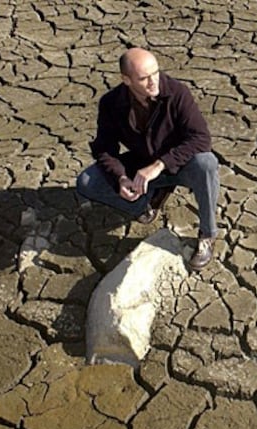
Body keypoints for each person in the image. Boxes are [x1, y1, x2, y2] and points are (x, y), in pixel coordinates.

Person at [76, 48, 219, 270]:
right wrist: (121, 178)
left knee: (207, 163)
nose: (154, 82)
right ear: (126, 80)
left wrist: (160, 165)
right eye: (144, 78)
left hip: (178, 163)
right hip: (141, 162)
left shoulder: (177, 93)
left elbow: (201, 139)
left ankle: (208, 234)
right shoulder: (111, 103)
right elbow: (105, 148)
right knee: (87, 182)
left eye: (156, 73)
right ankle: (146, 203)